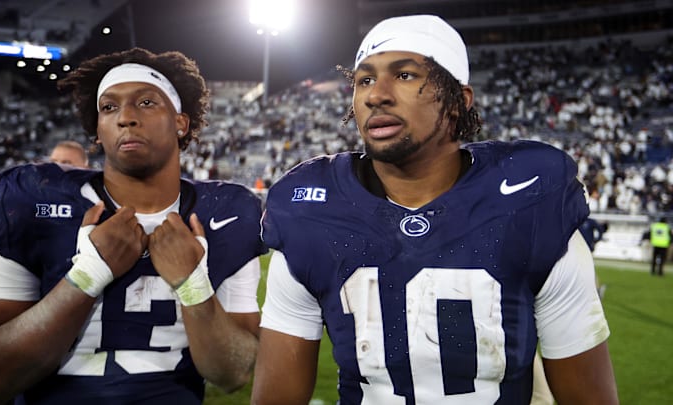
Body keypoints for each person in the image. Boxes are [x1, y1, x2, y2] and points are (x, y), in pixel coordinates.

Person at [252, 15, 618, 404]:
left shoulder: (528, 204)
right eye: (365, 80)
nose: (377, 95)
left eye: (405, 75)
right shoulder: (313, 213)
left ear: (460, 100)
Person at [0, 48, 267, 404]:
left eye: (146, 102)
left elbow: (232, 374)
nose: (126, 118)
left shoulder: (227, 212)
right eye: (109, 107)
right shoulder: (30, 199)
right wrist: (86, 276)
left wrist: (193, 285)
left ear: (181, 122)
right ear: (97, 132)